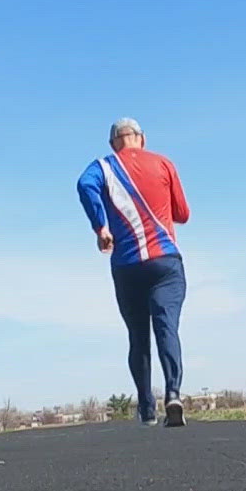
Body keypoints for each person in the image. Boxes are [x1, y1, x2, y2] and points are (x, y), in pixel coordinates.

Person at [77, 117, 191, 426]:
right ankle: (173, 392)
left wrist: (101, 225)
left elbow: (84, 184)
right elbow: (183, 214)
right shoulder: (164, 163)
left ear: (114, 143)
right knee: (166, 326)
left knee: (138, 335)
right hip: (165, 261)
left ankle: (146, 409)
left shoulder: (103, 167)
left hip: (127, 265)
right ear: (141, 138)